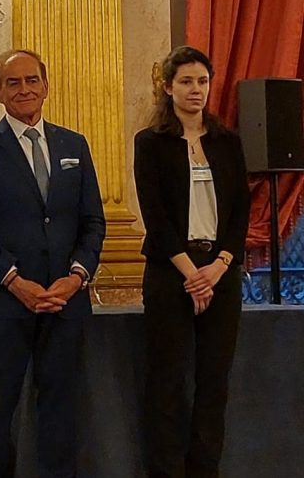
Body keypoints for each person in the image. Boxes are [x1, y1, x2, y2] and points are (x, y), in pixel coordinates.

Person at [0, 49, 105, 478]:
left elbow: (93, 221)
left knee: (60, 410)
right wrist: (14, 280)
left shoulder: (73, 144)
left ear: (45, 84)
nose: (24, 90)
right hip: (6, 302)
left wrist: (76, 277)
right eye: (13, 83)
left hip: (65, 303)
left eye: (31, 80)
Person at [133, 46, 249, 478]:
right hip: (170, 273)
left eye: (202, 81)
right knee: (168, 383)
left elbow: (240, 212)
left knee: (213, 383)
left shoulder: (228, 141)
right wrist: (192, 276)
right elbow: (156, 217)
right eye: (186, 81)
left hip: (220, 272)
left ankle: (205, 470)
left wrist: (218, 268)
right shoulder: (151, 143)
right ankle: (167, 471)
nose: (195, 89)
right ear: (168, 87)